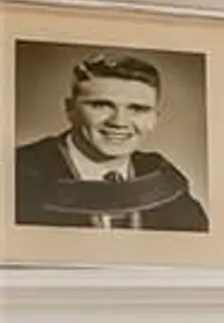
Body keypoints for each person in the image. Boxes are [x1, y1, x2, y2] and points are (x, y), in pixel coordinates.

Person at [13, 52, 208, 233]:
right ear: (70, 109)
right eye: (100, 105)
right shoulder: (19, 175)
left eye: (138, 109)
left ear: (154, 118)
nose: (119, 122)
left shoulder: (163, 182)